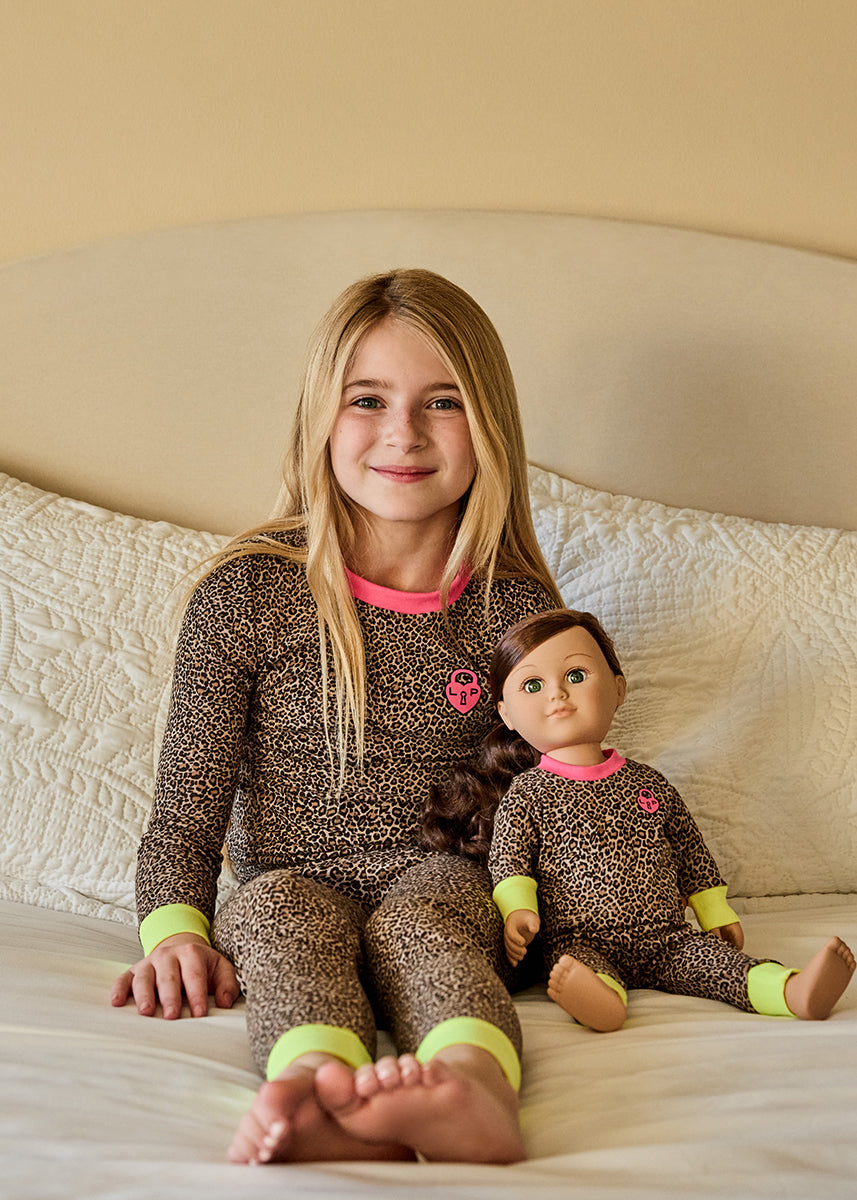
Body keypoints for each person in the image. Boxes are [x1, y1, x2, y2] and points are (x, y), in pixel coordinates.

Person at [110, 268, 563, 1165]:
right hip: (288, 875)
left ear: (489, 426)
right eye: (368, 399)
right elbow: (186, 803)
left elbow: (545, 794)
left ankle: (471, 1087)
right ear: (321, 416)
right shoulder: (249, 591)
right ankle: (317, 1087)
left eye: (443, 401)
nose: (403, 433)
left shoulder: (512, 611)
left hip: (438, 873)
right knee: (280, 927)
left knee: (428, 929)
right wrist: (173, 931)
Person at [423, 608, 855, 1033]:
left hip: (668, 937)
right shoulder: (529, 792)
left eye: (576, 676)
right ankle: (603, 1002)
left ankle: (790, 990)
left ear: (618, 688)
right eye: (533, 685)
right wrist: (517, 909)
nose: (557, 694)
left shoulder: (649, 783)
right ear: (506, 715)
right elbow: (510, 860)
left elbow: (689, 848)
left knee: (721, 965)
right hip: (578, 939)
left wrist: (713, 907)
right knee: (577, 970)